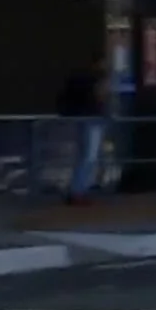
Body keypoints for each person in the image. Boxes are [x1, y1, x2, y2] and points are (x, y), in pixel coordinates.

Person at [58, 60, 106, 206]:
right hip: (92, 119)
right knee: (89, 157)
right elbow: (100, 97)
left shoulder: (78, 78)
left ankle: (77, 190)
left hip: (80, 119)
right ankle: (79, 191)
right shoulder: (95, 80)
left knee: (82, 156)